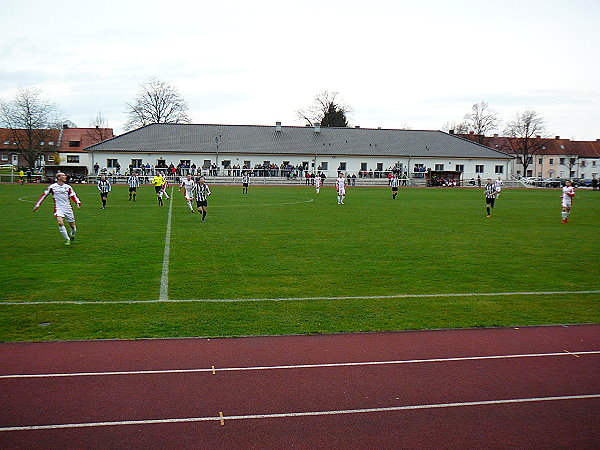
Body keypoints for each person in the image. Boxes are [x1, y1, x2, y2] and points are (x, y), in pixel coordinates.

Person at [33, 172, 81, 245]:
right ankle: (67, 239)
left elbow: (73, 195)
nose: (65, 176)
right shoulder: (52, 187)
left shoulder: (68, 187)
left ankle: (73, 234)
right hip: (58, 207)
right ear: (59, 178)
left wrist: (77, 202)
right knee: (60, 223)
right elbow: (44, 195)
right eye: (63, 175)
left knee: (72, 226)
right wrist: (37, 205)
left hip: (68, 208)